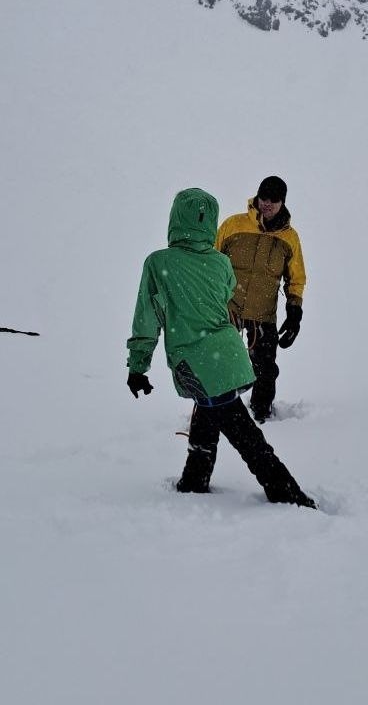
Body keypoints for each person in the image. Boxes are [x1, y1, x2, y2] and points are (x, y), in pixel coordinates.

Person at [126, 187, 315, 508]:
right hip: (228, 355)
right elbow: (225, 294)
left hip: (197, 361)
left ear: (175, 218)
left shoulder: (159, 264)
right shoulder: (220, 263)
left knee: (244, 434)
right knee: (208, 413)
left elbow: (146, 319)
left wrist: (137, 366)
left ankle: (286, 493)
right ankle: (194, 480)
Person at [215, 176, 306, 423]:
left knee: (265, 369)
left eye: (273, 200)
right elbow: (211, 263)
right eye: (263, 197)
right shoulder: (233, 225)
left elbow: (296, 278)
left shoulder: (290, 238)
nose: (267, 203)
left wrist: (294, 312)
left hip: (263, 313)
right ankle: (215, 411)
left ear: (282, 202)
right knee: (219, 362)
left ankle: (261, 413)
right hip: (228, 309)